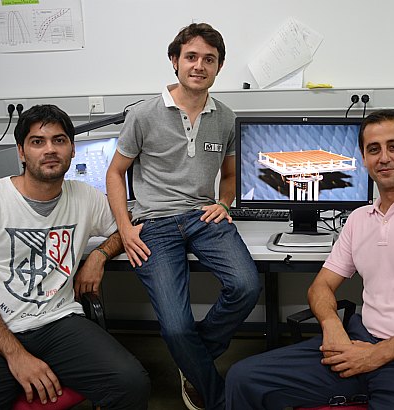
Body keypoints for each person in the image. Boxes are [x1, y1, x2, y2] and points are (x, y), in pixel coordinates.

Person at [225, 109, 394, 409]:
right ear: (363, 159)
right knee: (243, 378)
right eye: (373, 149)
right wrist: (331, 325)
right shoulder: (359, 219)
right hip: (359, 343)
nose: (384, 157)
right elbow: (320, 287)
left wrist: (377, 355)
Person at [0, 104, 150, 409]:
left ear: (72, 150)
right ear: (21, 152)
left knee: (131, 383)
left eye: (59, 140)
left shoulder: (85, 196)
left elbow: (125, 229)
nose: (50, 150)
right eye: (37, 141)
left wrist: (98, 255)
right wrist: (17, 355)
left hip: (58, 323)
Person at [106, 23, 261, 410]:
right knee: (176, 327)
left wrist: (225, 203)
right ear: (175, 61)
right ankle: (214, 390)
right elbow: (115, 173)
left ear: (219, 67)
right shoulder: (143, 114)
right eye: (191, 57)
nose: (199, 66)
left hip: (202, 216)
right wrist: (125, 228)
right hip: (154, 223)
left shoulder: (226, 117)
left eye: (209, 59)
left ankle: (190, 357)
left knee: (246, 286)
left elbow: (230, 175)